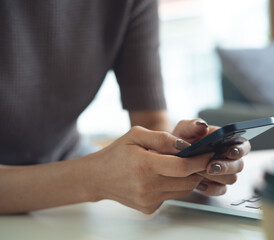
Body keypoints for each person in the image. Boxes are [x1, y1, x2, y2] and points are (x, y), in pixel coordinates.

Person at [0, 0, 250, 214]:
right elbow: (95, 176)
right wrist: (96, 178)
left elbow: (151, 122)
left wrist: (174, 159)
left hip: (68, 161)